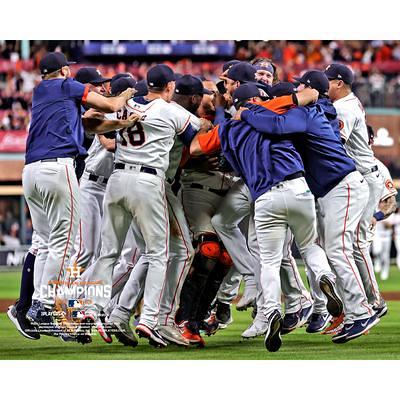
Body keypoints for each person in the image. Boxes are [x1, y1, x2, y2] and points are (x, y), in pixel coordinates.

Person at [190, 83, 343, 352]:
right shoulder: (275, 111)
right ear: (255, 99)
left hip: (263, 196)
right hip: (297, 187)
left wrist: (207, 126)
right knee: (309, 246)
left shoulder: (226, 129)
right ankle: (323, 277)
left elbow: (195, 149)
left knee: (270, 260)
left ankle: (272, 311)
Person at [236, 81, 381, 344]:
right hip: (332, 189)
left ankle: (363, 311)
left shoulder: (304, 113)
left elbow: (276, 125)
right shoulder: (312, 112)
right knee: (327, 248)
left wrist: (246, 111)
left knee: (339, 249)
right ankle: (352, 313)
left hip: (342, 185)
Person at [76, 65, 198, 348]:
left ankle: (91, 309)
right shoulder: (169, 110)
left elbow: (88, 121)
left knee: (109, 253)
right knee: (158, 253)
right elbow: (197, 134)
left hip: (117, 179)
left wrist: (115, 125)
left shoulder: (126, 105)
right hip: (147, 180)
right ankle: (150, 319)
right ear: (169, 87)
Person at [23, 52, 136, 337]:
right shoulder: (65, 85)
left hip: (31, 173)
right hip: (57, 169)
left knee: (48, 243)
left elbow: (87, 124)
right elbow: (109, 104)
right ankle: (44, 305)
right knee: (68, 242)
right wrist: (124, 97)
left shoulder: (41, 92)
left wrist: (120, 125)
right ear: (63, 71)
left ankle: (40, 302)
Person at [325, 63, 386, 314]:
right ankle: (359, 300)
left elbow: (335, 146)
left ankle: (375, 301)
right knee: (346, 243)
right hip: (360, 177)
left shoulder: (344, 108)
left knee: (357, 242)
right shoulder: (347, 103)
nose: (324, 84)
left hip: (365, 177)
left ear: (339, 83)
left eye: (327, 80)